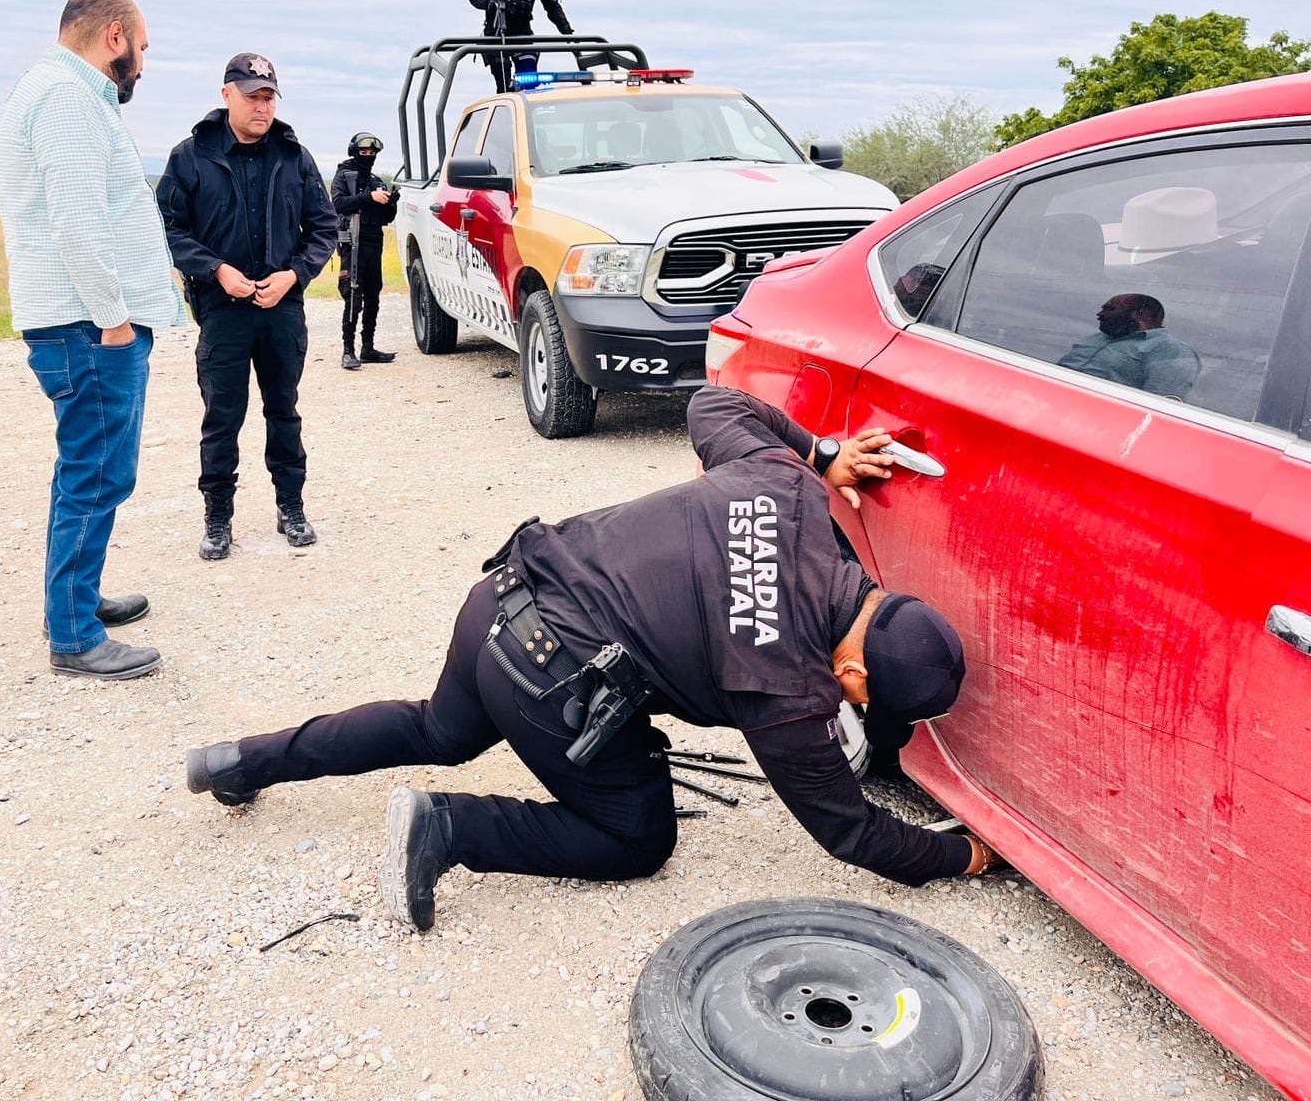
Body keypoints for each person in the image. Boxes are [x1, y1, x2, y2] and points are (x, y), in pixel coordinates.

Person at [185, 386, 1001, 932]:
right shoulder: (786, 688)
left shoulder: (789, 492)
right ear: (854, 679)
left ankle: (241, 760)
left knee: (439, 727)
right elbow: (850, 832)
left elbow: (713, 402)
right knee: (635, 840)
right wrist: (958, 853)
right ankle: (452, 826)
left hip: (501, 600)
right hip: (552, 679)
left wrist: (821, 452)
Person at [0, 0, 183, 682]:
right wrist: (113, 318)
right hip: (87, 325)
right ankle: (73, 634)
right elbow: (76, 221)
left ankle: (72, 603)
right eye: (142, 46)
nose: (142, 60)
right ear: (114, 36)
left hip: (81, 322)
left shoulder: (59, 93)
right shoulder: (67, 99)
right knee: (96, 472)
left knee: (92, 470)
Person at [156, 53, 338, 559]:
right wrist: (215, 270)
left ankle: (291, 506)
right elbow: (168, 228)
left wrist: (294, 274)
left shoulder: (293, 156)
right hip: (223, 310)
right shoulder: (190, 157)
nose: (262, 107)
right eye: (252, 96)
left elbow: (323, 228)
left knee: (284, 411)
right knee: (222, 417)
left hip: (281, 307)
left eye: (269, 97)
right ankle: (218, 519)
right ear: (226, 95)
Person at [331, 133, 399, 370]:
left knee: (373, 296)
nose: (368, 157)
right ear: (354, 152)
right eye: (364, 153)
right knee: (353, 295)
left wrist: (391, 203)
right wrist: (367, 197)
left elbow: (385, 218)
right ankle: (347, 351)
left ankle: (367, 347)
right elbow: (339, 204)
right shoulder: (344, 176)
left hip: (373, 243)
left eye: (372, 154)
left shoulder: (375, 180)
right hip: (353, 244)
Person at [1057, 292, 1200, 399]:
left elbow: (1157, 406)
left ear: (1141, 314)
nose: (1099, 314)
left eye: (1109, 309)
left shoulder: (1170, 350)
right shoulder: (1095, 338)